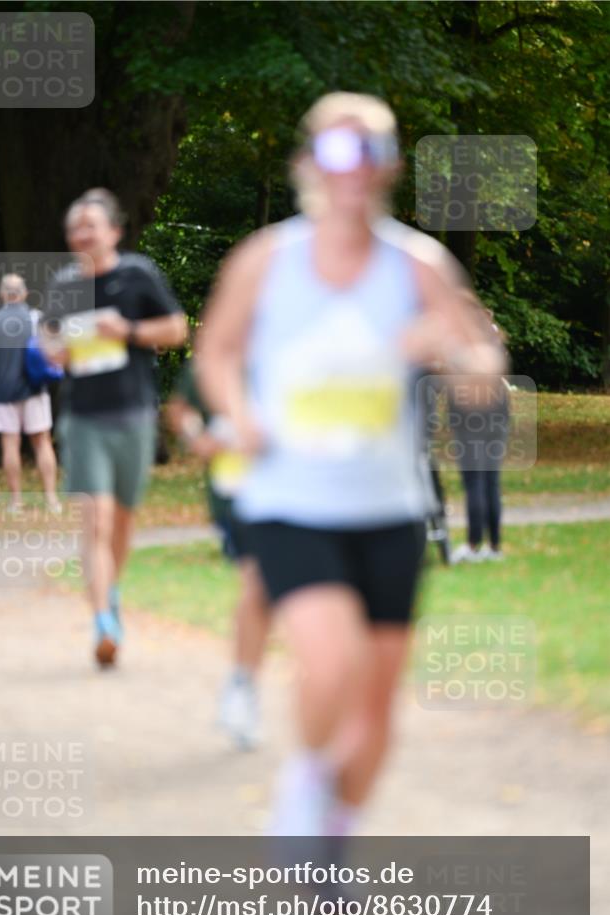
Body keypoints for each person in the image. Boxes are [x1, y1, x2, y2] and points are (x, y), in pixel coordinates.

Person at [197, 92, 504, 843]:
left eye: (370, 150)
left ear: (390, 166)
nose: (352, 168)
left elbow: (481, 367)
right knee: (330, 664)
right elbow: (216, 353)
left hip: (389, 510)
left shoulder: (417, 264)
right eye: (336, 151)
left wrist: (453, 353)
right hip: (289, 501)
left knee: (376, 706)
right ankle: (304, 782)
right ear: (307, 164)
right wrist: (240, 413)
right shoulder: (265, 260)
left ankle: (335, 827)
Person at [43, 188, 188, 667]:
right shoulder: (63, 285)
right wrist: (56, 350)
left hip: (134, 414)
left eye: (90, 225)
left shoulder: (137, 275)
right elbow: (48, 342)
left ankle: (112, 592)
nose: (81, 233)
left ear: (114, 232)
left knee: (123, 521)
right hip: (83, 418)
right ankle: (103, 620)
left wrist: (125, 331)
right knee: (96, 519)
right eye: (74, 227)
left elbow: (176, 329)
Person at [167, 358, 271, 749]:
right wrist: (198, 438)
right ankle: (244, 686)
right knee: (259, 581)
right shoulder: (226, 354)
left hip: (311, 484)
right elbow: (180, 406)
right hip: (238, 490)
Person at [0, 275, 59, 512]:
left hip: (2, 392)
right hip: (34, 390)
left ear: (1, 295)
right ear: (24, 293)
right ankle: (51, 500)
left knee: (10, 445)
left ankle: (16, 502)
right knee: (42, 443)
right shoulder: (37, 319)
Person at [448, 291, 510, 563]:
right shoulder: (492, 336)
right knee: (490, 479)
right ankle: (494, 546)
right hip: (498, 411)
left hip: (471, 413)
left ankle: (474, 545)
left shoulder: (462, 341)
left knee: (474, 480)